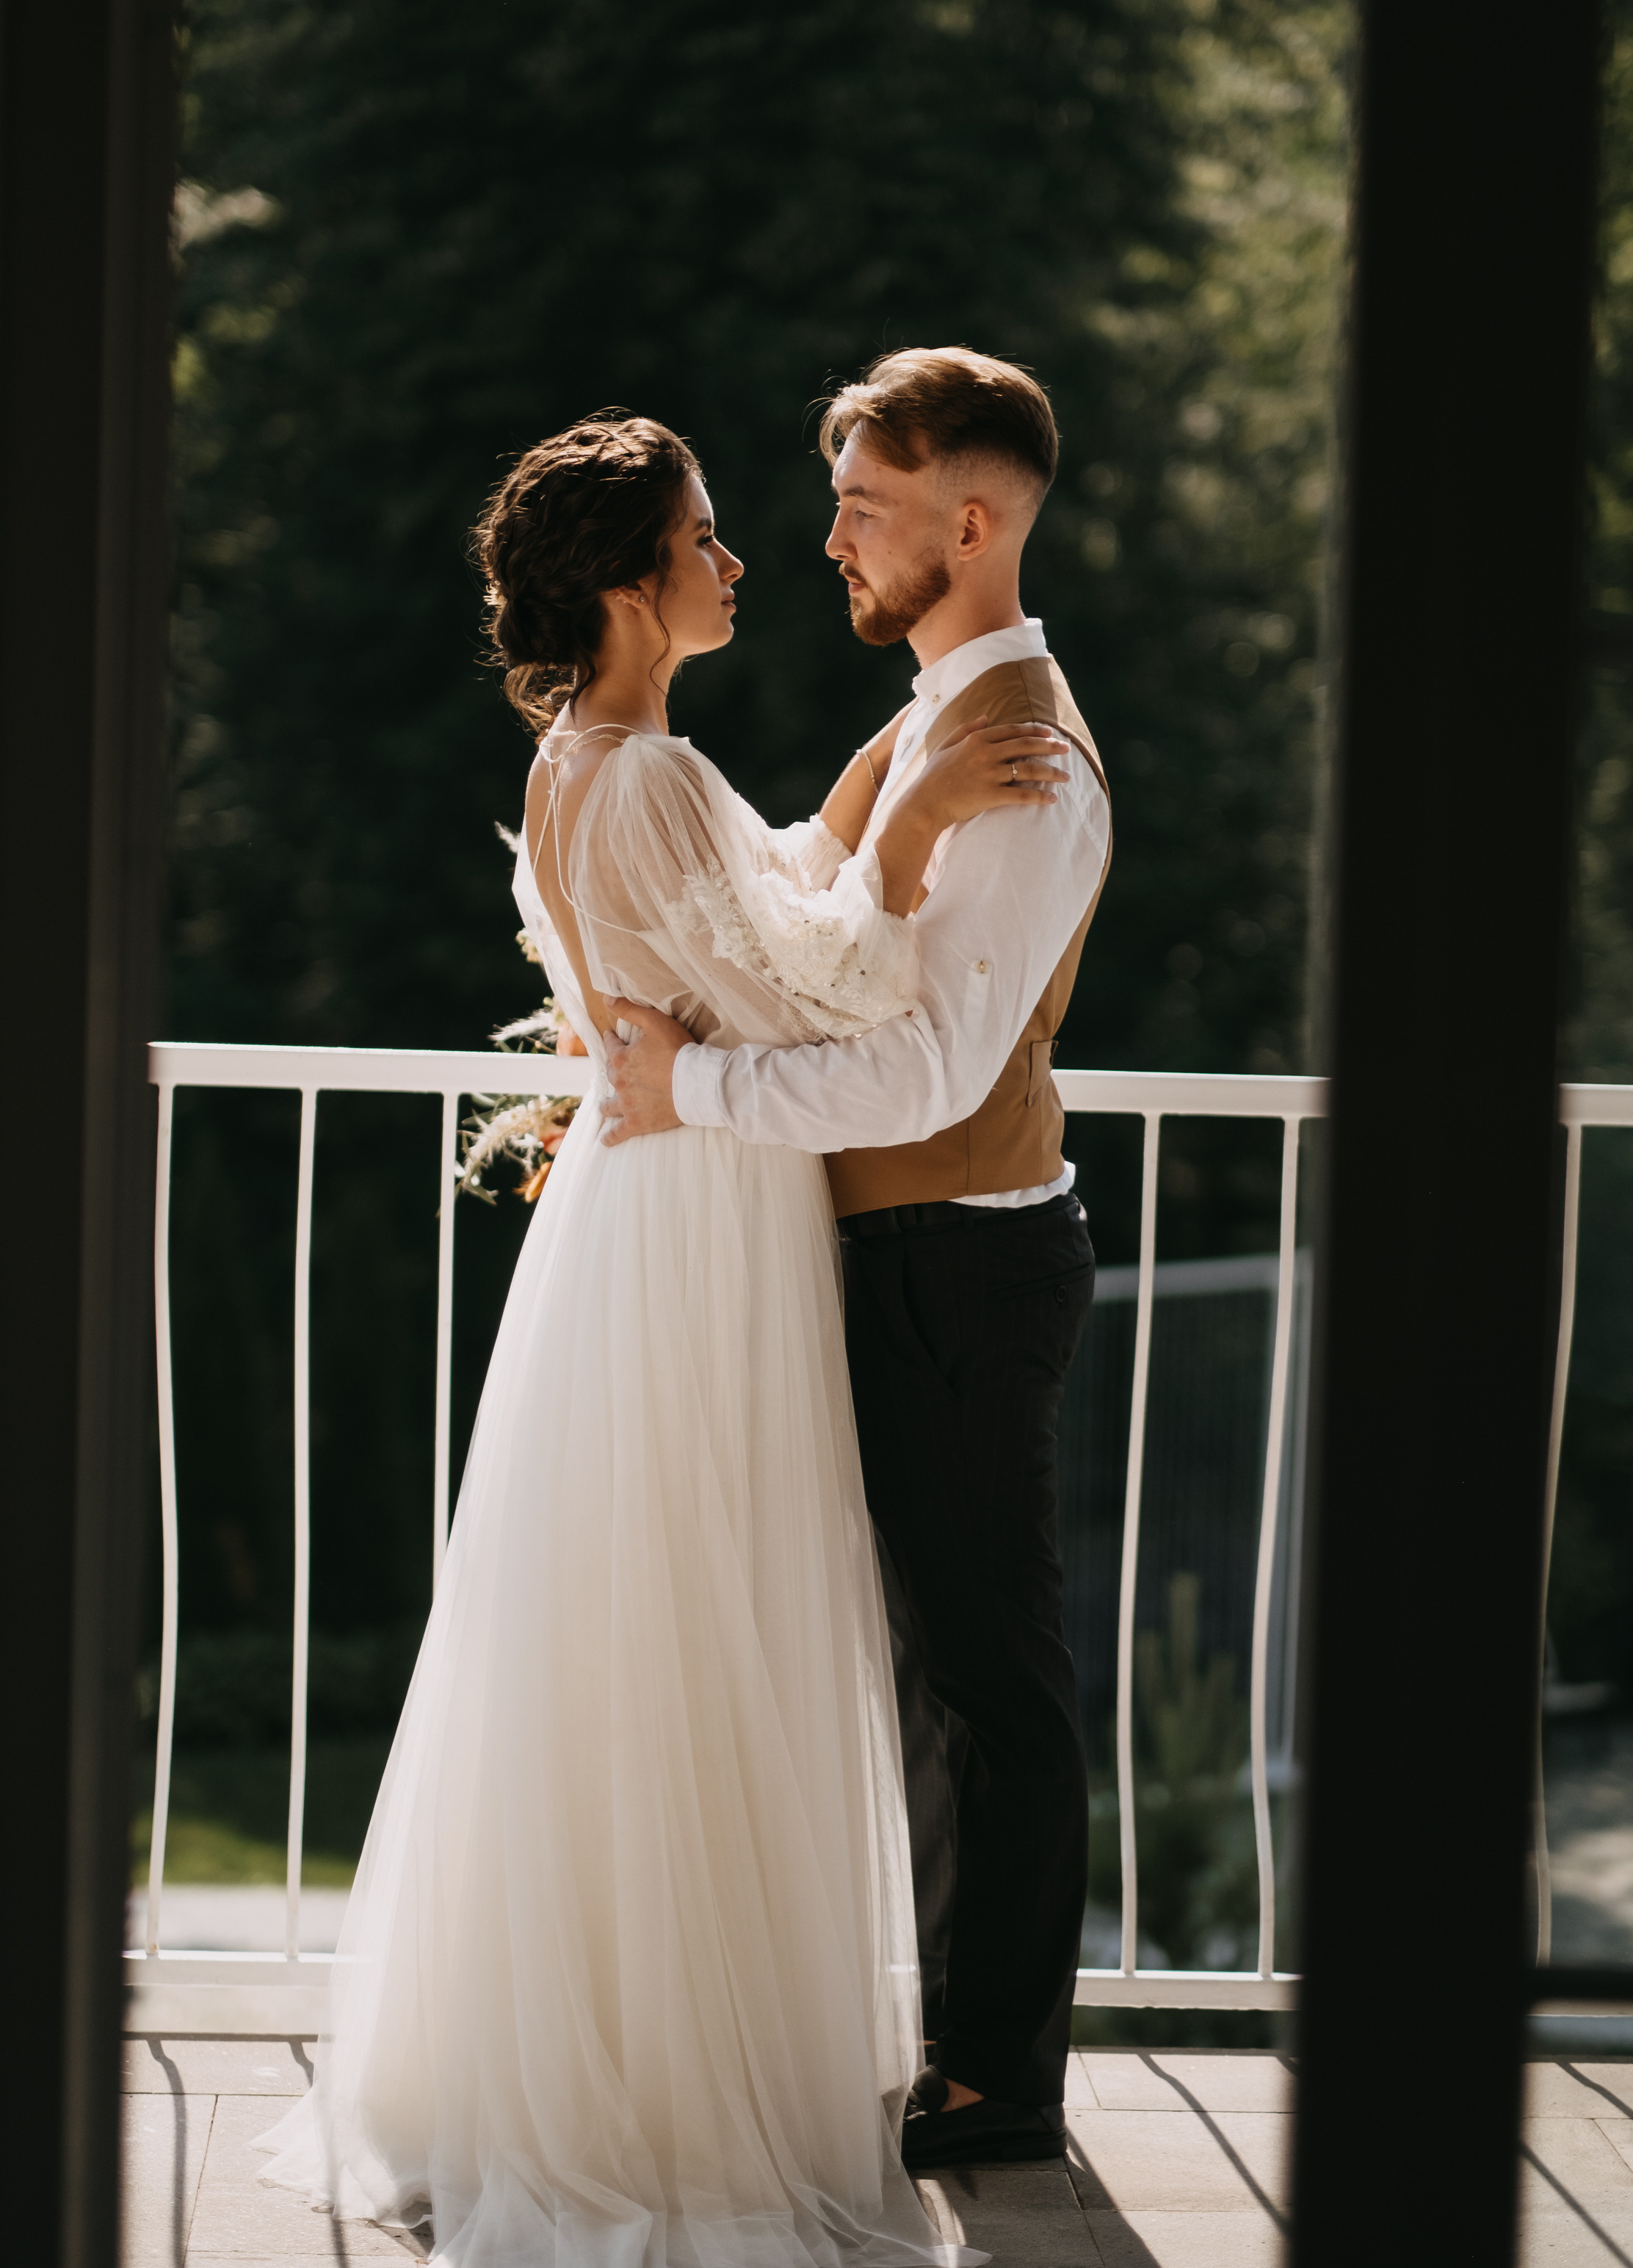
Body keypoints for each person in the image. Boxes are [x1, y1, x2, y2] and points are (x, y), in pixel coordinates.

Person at [254, 410, 1069, 2266]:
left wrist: (862, 803)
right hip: (703, 1215)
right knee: (701, 1623)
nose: (739, 561)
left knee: (617, 1628)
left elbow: (740, 926)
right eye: (708, 538)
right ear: (634, 582)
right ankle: (668, 2086)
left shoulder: (583, 762)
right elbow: (833, 980)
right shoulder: (652, 779)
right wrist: (925, 815)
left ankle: (592, 2050)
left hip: (639, 1216)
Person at [601, 349, 1111, 2170]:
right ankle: (966, 2051)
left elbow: (931, 1067)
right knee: (934, 1671)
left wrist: (690, 1088)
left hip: (962, 1265)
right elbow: (808, 925)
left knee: (988, 1671)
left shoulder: (1021, 759)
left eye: (864, 508)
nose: (828, 542)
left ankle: (1000, 2082)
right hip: (898, 1252)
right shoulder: (917, 734)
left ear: (967, 524)